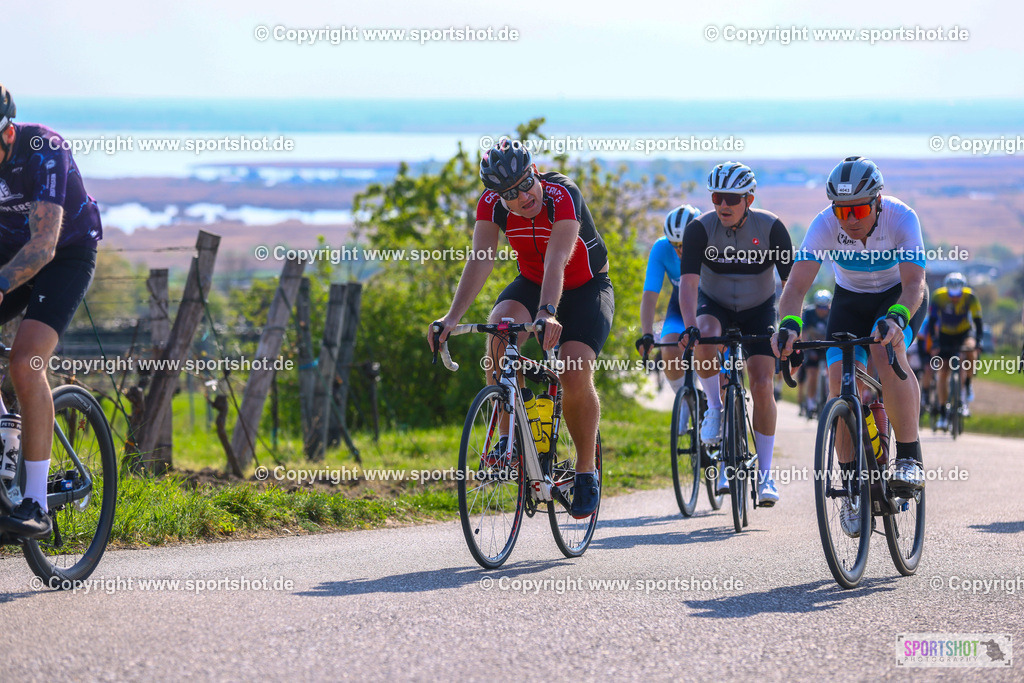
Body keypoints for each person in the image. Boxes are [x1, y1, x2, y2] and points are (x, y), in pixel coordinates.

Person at [428, 137, 613, 519]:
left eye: (526, 183)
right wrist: (451, 319)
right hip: (531, 281)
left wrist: (547, 311)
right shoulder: (491, 207)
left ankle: (585, 471)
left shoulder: (563, 194)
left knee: (574, 371)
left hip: (586, 287)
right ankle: (511, 433)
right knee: (498, 334)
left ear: (534, 171)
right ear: (497, 196)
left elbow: (558, 261)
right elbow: (481, 261)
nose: (522, 196)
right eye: (509, 193)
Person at [772, 156, 927, 538]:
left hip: (899, 298)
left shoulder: (902, 219)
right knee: (839, 382)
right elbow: (794, 289)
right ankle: (853, 488)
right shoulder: (824, 225)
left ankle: (908, 457)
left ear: (877, 201)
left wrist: (897, 319)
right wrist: (789, 326)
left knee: (883, 351)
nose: (849, 219)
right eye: (841, 211)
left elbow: (913, 286)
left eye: (858, 209)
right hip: (850, 298)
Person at [0, 85, 102, 539]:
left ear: (6, 134)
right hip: (6, 253)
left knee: (25, 362)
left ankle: (36, 502)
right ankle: (8, 440)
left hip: (64, 254)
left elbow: (43, 245)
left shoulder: (42, 147)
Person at [678, 162, 793, 506]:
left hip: (759, 309)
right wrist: (689, 326)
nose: (723, 205)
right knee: (706, 334)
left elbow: (791, 285)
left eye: (731, 198)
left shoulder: (772, 228)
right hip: (715, 304)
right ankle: (715, 406)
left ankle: (766, 476)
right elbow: (688, 285)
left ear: (749, 199)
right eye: (716, 197)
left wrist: (789, 327)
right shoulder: (700, 229)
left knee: (760, 383)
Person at [636, 204, 702, 413]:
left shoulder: (711, 244)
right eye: (675, 245)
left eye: (686, 244)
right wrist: (647, 333)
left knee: (714, 348)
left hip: (713, 305)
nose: (681, 250)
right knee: (668, 347)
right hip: (680, 305)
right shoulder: (661, 248)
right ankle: (687, 402)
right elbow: (649, 295)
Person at [929, 272, 983, 425]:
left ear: (963, 290)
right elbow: (933, 320)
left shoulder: (970, 297)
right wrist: (934, 341)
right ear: (946, 290)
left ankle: (968, 383)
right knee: (943, 372)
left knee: (971, 349)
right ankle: (943, 412)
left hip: (964, 332)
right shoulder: (938, 296)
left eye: (957, 295)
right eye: (952, 295)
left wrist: (979, 341)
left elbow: (978, 321)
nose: (954, 298)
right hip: (945, 334)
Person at [796, 289, 831, 416]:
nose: (822, 310)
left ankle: (829, 400)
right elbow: (804, 333)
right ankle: (810, 404)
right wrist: (807, 349)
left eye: (824, 307)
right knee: (812, 373)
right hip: (813, 346)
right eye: (819, 307)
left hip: (828, 346)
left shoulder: (833, 313)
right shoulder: (809, 313)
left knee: (831, 373)